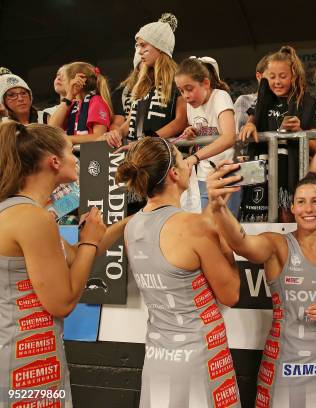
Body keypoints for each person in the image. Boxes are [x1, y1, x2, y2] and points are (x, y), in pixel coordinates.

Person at [207, 165, 316, 407]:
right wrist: (219, 208)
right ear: (292, 208)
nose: (308, 209)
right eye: (301, 202)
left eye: (315, 202)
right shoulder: (277, 245)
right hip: (284, 373)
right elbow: (241, 243)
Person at [0, 121, 127, 407]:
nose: (76, 158)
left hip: (26, 355)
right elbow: (63, 303)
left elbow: (75, 255)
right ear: (54, 161)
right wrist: (91, 241)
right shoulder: (33, 218)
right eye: (72, 151)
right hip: (25, 363)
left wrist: (139, 217)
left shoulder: (23, 210)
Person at [116, 137, 241, 408]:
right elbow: (231, 294)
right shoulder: (193, 226)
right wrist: (226, 244)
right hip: (201, 362)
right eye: (182, 159)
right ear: (174, 173)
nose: (187, 164)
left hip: (157, 360)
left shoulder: (131, 226)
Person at [239, 45, 316, 222]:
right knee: (259, 222)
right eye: (272, 76)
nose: (277, 81)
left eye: (283, 76)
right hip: (261, 174)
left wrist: (299, 131)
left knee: (286, 215)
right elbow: (251, 121)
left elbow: (314, 146)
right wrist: (250, 125)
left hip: (290, 175)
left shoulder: (306, 102)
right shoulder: (263, 100)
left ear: (294, 76)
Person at [104, 13, 187, 147]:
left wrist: (150, 140)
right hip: (138, 151)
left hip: (162, 154)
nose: (139, 51)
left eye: (143, 45)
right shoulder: (144, 81)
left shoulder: (178, 78)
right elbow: (133, 118)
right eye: (137, 46)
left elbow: (181, 121)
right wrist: (118, 132)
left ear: (160, 47)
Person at [175, 56, 241, 215]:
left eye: (189, 89)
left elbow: (229, 137)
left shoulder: (220, 97)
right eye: (181, 90)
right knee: (207, 230)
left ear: (205, 83)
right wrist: (193, 131)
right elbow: (207, 128)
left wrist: (194, 157)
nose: (186, 96)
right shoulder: (191, 105)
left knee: (224, 231)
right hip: (203, 176)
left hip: (226, 174)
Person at [48, 61, 113, 144]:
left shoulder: (96, 101)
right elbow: (52, 128)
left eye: (64, 79)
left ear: (77, 82)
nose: (61, 81)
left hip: (90, 154)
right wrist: (69, 96)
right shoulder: (73, 103)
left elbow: (99, 136)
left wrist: (67, 139)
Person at [234, 54, 269, 133]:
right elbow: (237, 136)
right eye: (271, 76)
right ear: (259, 76)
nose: (276, 81)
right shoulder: (243, 100)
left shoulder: (283, 102)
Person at [110, 50, 141, 131]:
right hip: (132, 140)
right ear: (137, 69)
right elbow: (117, 124)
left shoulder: (169, 88)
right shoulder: (121, 92)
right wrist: (117, 135)